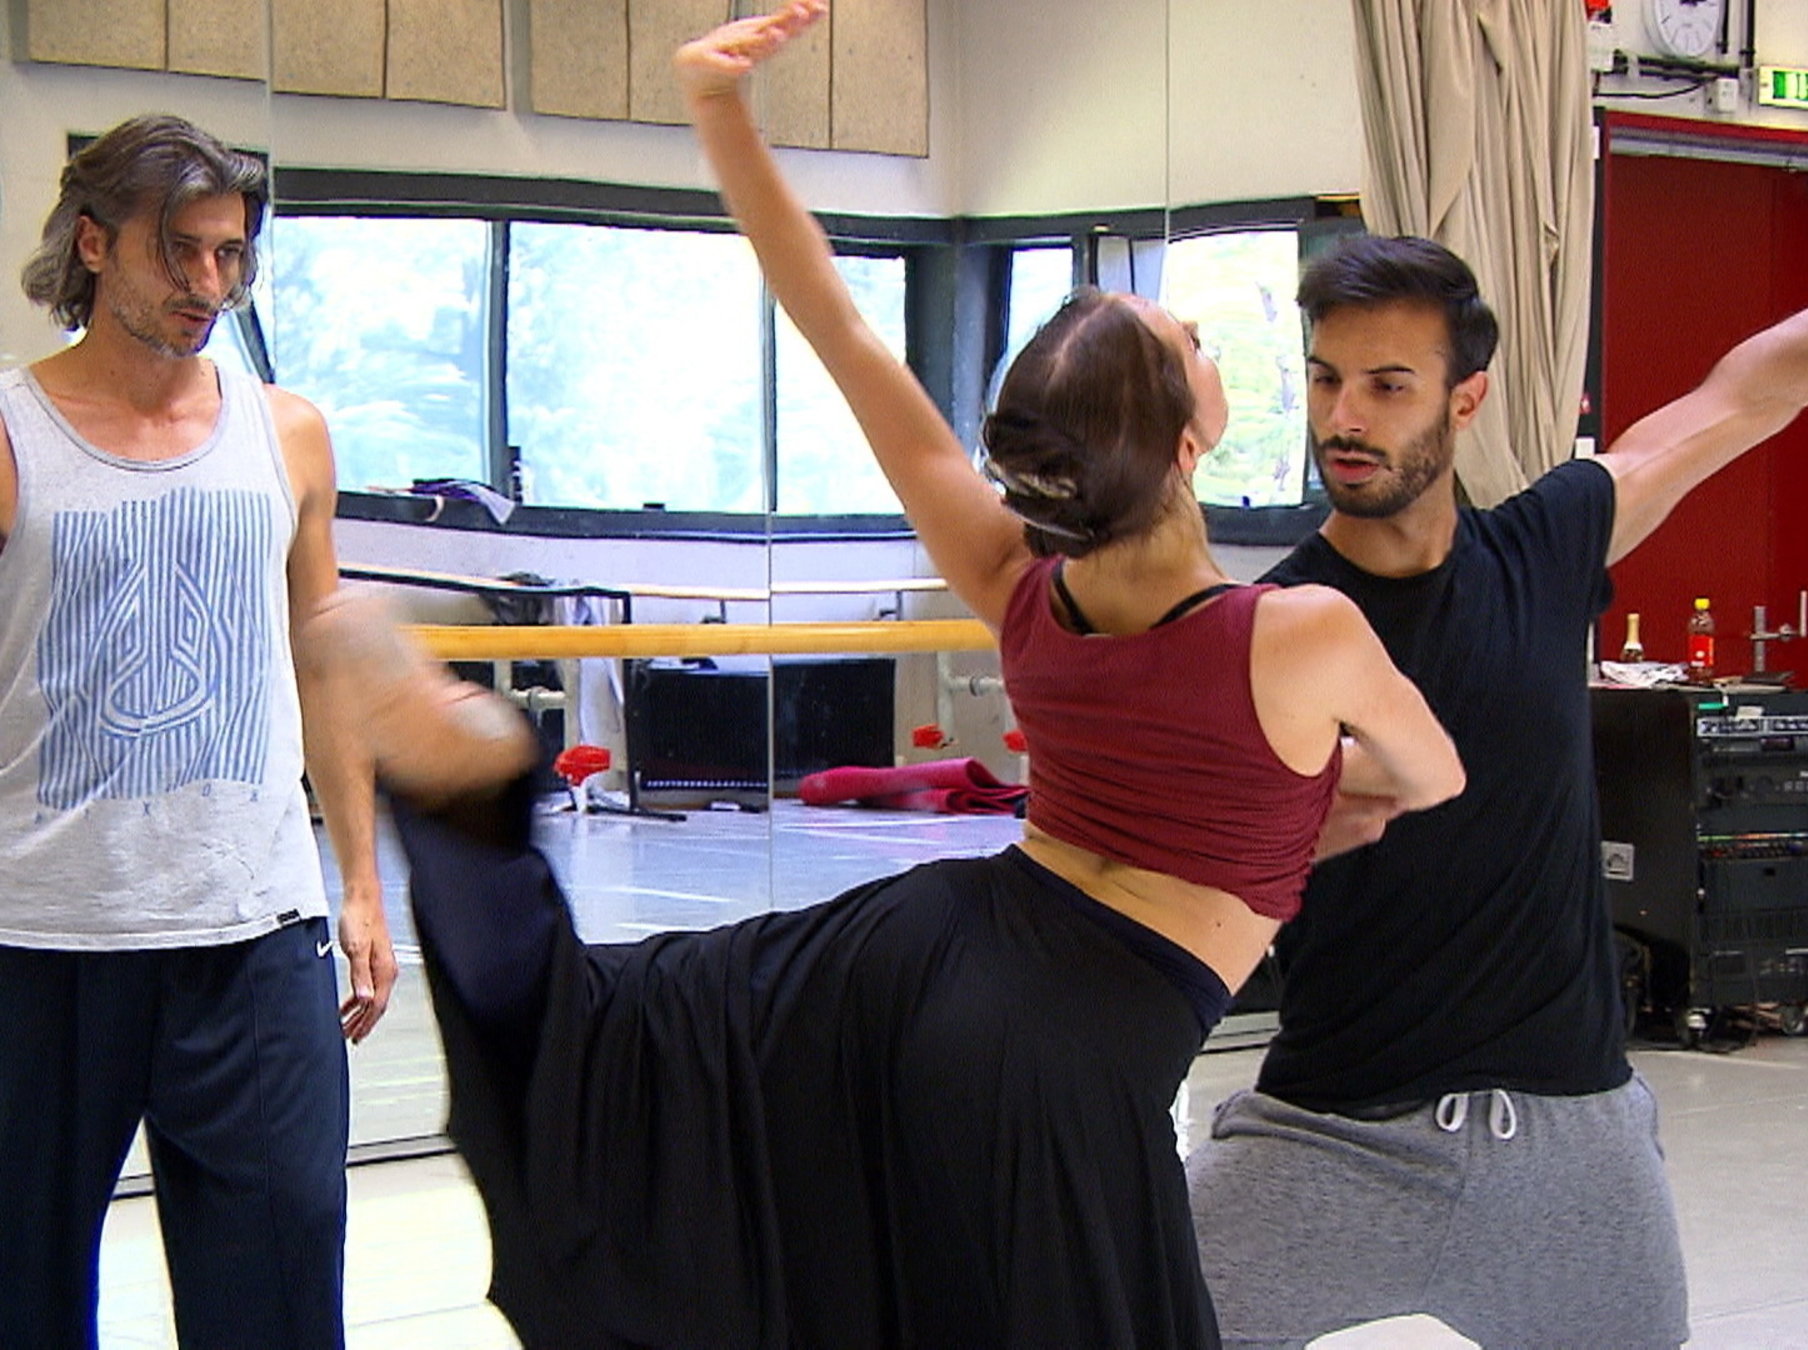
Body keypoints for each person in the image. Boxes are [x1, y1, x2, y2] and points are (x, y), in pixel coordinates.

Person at [312, 3, 1463, 1345]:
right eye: (1193, 344)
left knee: (627, 1040)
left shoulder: (1013, 577)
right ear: (1185, 434)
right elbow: (1428, 772)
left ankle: (477, 804)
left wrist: (719, 112)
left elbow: (841, 329)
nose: (1211, 345)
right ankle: (477, 795)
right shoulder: (1295, 633)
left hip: (918, 950)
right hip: (1072, 1041)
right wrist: (1318, 805)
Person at [1186, 214, 1808, 1348]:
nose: (1342, 418)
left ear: (1462, 402)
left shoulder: (1545, 548)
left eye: (1385, 385)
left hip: (1572, 1138)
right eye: (1325, 381)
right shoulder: (1270, 625)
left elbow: (1744, 396)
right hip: (1330, 1133)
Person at [0, 114, 393, 1346]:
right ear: (95, 243)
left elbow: (323, 658)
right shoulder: (12, 433)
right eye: (181, 253)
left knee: (277, 1296)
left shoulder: (286, 432)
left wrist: (363, 885)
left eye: (231, 255)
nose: (210, 284)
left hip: (254, 932)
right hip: (40, 935)